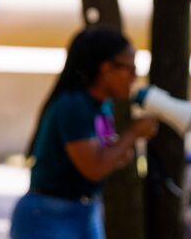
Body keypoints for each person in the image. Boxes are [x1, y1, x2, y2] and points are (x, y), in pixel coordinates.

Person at [10, 26, 159, 239]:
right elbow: (94, 168)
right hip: (49, 214)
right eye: (130, 69)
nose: (135, 77)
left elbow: (110, 155)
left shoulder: (101, 106)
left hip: (84, 211)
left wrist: (121, 147)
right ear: (106, 68)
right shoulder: (74, 105)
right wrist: (133, 133)